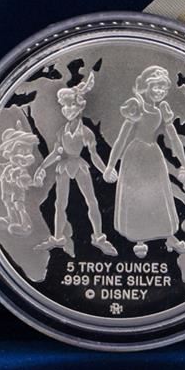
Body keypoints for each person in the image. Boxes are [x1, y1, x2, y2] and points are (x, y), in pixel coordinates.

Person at [104, 65, 185, 258]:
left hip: (154, 155)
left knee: (158, 195)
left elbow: (174, 138)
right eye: (156, 86)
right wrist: (110, 165)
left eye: (163, 88)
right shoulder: (136, 107)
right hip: (135, 156)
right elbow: (121, 139)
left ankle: (169, 236)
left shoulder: (162, 110)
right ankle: (139, 238)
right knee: (137, 195)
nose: (160, 91)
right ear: (147, 86)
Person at [33, 73, 117, 257]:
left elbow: (94, 155)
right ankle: (58, 237)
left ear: (80, 106)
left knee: (91, 201)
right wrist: (42, 168)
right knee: (60, 203)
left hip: (79, 166)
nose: (67, 109)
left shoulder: (86, 133)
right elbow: (56, 153)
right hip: (64, 166)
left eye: (71, 105)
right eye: (64, 106)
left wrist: (105, 170)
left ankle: (99, 237)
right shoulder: (62, 131)